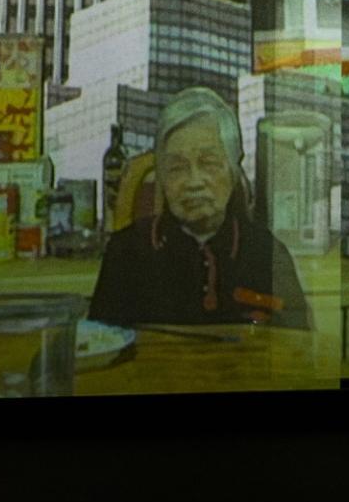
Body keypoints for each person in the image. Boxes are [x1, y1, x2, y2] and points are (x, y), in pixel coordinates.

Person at [88, 87, 310, 330]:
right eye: (177, 168)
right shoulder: (125, 253)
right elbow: (101, 344)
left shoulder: (267, 254)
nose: (194, 182)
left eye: (208, 163)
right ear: (161, 176)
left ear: (233, 171)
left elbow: (298, 346)